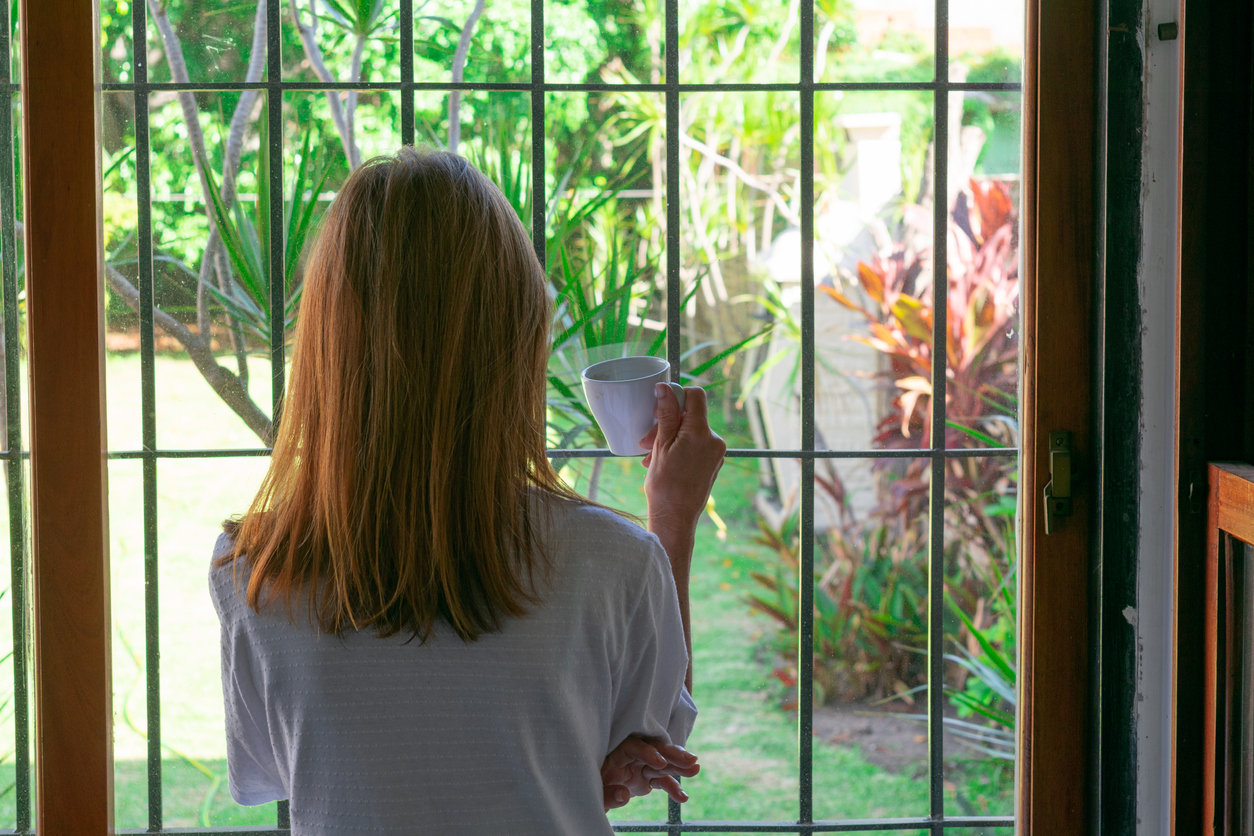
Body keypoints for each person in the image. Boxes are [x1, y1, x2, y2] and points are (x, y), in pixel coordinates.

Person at [210, 147, 727, 834]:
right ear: (515, 334)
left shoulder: (252, 568)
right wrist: (673, 519)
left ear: (326, 341)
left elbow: (284, 766)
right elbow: (656, 732)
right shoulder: (614, 559)